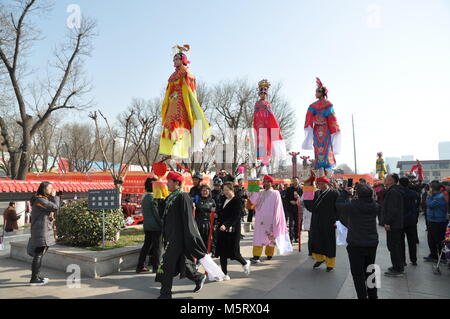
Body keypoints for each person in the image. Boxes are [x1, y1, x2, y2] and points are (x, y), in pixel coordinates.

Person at [155, 172, 207, 299]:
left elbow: (188, 219)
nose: (167, 184)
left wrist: (191, 238)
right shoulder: (171, 197)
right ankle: (198, 277)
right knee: (184, 263)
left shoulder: (183, 196)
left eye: (169, 181)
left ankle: (165, 294)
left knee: (166, 265)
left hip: (178, 238)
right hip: (170, 237)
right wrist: (158, 201)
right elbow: (165, 215)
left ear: (176, 183)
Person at [159, 45, 211, 158]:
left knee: (180, 125)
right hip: (172, 103)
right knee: (170, 125)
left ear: (183, 60)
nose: (174, 61)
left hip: (182, 104)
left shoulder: (187, 73)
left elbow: (191, 89)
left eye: (177, 59)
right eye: (174, 59)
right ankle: (169, 149)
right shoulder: (172, 76)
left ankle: (179, 149)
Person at [336, 184, 379, 299]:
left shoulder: (353, 205)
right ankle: (373, 296)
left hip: (356, 243)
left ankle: (362, 296)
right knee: (370, 270)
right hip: (371, 242)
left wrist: (345, 192)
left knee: (357, 273)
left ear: (357, 194)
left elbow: (339, 205)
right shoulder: (375, 205)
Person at [301, 78, 341, 174]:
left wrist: (335, 130)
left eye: (316, 92)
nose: (315, 94)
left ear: (321, 92)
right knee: (318, 149)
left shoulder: (328, 105)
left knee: (326, 148)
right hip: (317, 130)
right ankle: (320, 171)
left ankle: (326, 172)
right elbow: (309, 116)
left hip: (326, 130)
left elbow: (332, 119)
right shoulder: (313, 105)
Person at [248, 175, 289, 263]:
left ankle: (269, 254)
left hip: (271, 220)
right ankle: (256, 256)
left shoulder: (276, 193)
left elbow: (278, 207)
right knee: (258, 238)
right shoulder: (261, 192)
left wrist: (277, 219)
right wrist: (253, 184)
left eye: (268, 182)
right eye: (265, 182)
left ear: (271, 183)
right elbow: (254, 200)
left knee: (270, 238)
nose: (266, 183)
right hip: (260, 220)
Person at [215, 182, 251, 280]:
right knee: (222, 253)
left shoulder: (237, 200)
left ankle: (245, 263)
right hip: (222, 229)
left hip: (233, 230)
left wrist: (226, 225)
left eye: (227, 190)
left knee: (234, 253)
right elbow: (221, 211)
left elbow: (236, 216)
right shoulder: (223, 199)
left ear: (232, 190)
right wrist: (216, 215)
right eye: (224, 190)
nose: (225, 192)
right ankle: (224, 274)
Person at [304, 177, 339, 272]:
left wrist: (337, 220)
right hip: (316, 220)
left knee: (329, 242)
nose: (320, 185)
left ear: (327, 183)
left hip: (329, 221)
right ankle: (320, 259)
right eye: (318, 184)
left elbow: (338, 208)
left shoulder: (334, 193)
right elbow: (310, 206)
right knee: (316, 240)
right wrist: (307, 189)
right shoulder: (316, 193)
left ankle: (330, 263)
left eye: (322, 183)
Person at [28, 182, 60, 286]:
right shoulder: (40, 200)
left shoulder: (42, 199)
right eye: (49, 188)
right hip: (41, 231)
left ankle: (36, 276)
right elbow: (55, 208)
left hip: (42, 230)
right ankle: (34, 278)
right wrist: (55, 197)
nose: (52, 189)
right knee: (39, 254)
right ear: (43, 189)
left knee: (39, 254)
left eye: (52, 188)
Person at [253, 79, 286, 164]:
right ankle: (262, 162)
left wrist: (275, 127)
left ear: (266, 94)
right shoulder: (257, 103)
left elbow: (271, 116)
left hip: (267, 126)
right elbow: (255, 117)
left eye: (264, 93)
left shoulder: (268, 104)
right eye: (261, 93)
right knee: (260, 143)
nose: (263, 94)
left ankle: (267, 161)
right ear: (259, 94)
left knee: (268, 143)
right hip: (259, 126)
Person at [136, 178, 163, 274]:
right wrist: (162, 224)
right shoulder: (152, 197)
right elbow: (156, 213)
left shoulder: (144, 197)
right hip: (155, 227)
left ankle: (140, 266)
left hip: (147, 226)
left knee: (146, 246)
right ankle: (157, 268)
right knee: (157, 247)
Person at [382, 174, 405, 277]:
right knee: (395, 246)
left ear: (391, 181)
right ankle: (397, 265)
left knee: (393, 246)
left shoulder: (393, 192)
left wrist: (388, 222)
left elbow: (392, 209)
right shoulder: (395, 190)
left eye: (386, 179)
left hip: (394, 224)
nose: (384, 180)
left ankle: (397, 268)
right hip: (397, 223)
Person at [424, 180, 449, 262]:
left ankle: (442, 257)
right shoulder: (436, 196)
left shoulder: (439, 197)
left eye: (430, 188)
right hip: (432, 220)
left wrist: (428, 196)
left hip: (438, 221)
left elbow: (430, 205)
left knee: (438, 240)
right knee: (431, 239)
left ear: (432, 189)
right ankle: (433, 255)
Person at [398, 177, 420, 266]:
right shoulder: (415, 194)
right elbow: (417, 205)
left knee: (401, 241)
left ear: (399, 183)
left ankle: (403, 261)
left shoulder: (399, 193)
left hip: (401, 220)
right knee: (412, 241)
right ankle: (414, 259)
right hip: (412, 220)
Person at [195, 185, 216, 252]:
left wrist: (215, 223)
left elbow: (215, 213)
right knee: (199, 240)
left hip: (209, 224)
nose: (205, 192)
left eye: (207, 190)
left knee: (208, 240)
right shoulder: (197, 200)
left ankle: (208, 253)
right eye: (203, 190)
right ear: (200, 192)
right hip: (199, 223)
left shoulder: (212, 201)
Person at [286, 177, 302, 243]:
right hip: (291, 209)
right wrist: (290, 201)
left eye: (296, 180)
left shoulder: (301, 189)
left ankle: (297, 237)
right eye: (294, 180)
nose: (295, 182)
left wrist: (298, 199)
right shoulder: (289, 189)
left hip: (299, 208)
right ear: (292, 181)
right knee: (291, 224)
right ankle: (291, 238)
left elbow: (304, 198)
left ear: (298, 181)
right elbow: (286, 198)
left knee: (298, 223)